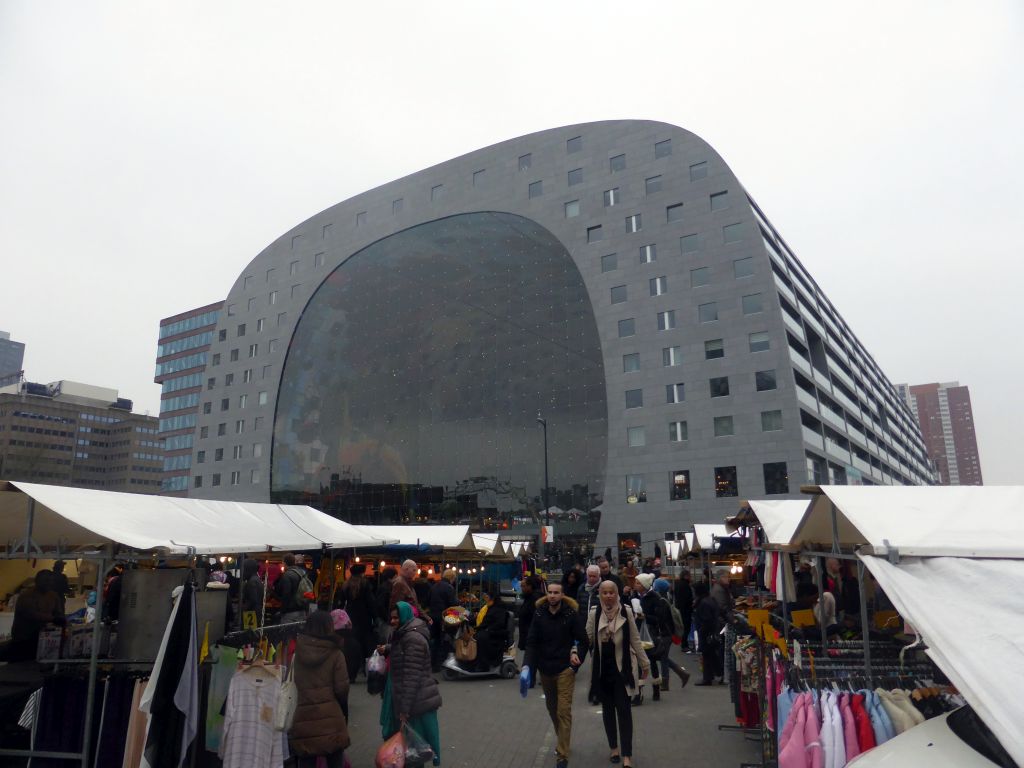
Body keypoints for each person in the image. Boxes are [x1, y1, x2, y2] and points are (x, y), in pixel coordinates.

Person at [523, 582, 588, 768]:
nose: (552, 596)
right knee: (552, 709)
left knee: (563, 711)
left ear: (562, 595)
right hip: (545, 669)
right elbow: (532, 642)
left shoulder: (570, 614)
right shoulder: (539, 613)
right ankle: (563, 740)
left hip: (565, 669)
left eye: (556, 593)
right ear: (546, 594)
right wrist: (527, 666)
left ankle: (562, 755)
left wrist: (576, 661)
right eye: (550, 592)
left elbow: (584, 641)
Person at [586, 580, 649, 768]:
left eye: (611, 592)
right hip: (602, 670)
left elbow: (636, 639)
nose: (608, 596)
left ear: (616, 594)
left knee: (624, 711)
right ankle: (614, 748)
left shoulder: (626, 612)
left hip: (623, 670)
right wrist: (573, 652)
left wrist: (645, 662)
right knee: (608, 711)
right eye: (604, 592)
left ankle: (627, 755)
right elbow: (586, 639)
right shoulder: (594, 614)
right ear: (600, 594)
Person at [378, 602, 442, 766]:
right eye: (391, 618)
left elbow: (411, 678)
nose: (392, 621)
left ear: (405, 617)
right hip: (414, 699)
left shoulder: (412, 638)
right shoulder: (406, 633)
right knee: (411, 748)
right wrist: (387, 648)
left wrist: (404, 710)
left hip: (416, 702)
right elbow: (402, 649)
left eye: (396, 618)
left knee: (413, 750)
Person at [289, 610, 349, 768]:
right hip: (331, 719)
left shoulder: (297, 653)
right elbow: (342, 689)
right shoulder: (336, 654)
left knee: (306, 761)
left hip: (303, 717)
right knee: (335, 760)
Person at [635, 575, 689, 699]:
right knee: (659, 657)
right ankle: (669, 681)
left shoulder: (657, 599)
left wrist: (644, 616)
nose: (635, 585)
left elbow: (659, 619)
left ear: (644, 585)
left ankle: (663, 684)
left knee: (659, 657)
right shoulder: (644, 597)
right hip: (653, 634)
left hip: (660, 634)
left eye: (638, 583)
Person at [10, 570, 65, 661]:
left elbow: (59, 613)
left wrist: (61, 620)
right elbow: (31, 614)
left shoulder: (53, 595)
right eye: (46, 580)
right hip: (24, 639)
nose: (49, 583)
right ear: (37, 581)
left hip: (44, 638)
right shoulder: (26, 595)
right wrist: (54, 619)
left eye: (51, 581)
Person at [335, 563, 375, 680]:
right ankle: (367, 671)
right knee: (366, 644)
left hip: (350, 617)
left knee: (352, 646)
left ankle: (351, 673)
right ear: (362, 572)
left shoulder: (346, 585)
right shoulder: (365, 584)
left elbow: (340, 603)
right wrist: (375, 616)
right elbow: (371, 602)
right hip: (365, 617)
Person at [694, 582, 723, 685]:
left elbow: (706, 619)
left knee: (707, 655)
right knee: (711, 655)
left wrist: (702, 631)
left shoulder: (703, 603)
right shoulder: (711, 600)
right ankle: (717, 674)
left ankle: (708, 678)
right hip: (712, 631)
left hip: (706, 633)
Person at [429, 568, 458, 671]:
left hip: (433, 617)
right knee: (445, 640)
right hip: (444, 618)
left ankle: (433, 664)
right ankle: (443, 662)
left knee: (435, 640)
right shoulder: (449, 588)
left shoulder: (434, 586)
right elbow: (453, 604)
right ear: (451, 578)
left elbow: (429, 601)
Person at [473, 591, 511, 670]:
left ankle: (484, 665)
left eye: (487, 598)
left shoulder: (498, 609)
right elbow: (485, 621)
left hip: (496, 634)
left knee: (480, 637)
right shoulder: (490, 608)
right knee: (476, 636)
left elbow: (499, 623)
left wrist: (487, 629)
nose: (485, 600)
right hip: (490, 631)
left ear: (492, 599)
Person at [275, 553, 310, 624]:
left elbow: (286, 594)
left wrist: (282, 611)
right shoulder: (302, 573)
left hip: (290, 612)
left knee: (287, 633)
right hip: (302, 610)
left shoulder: (287, 575)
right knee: (298, 633)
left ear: (284, 563)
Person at [517, 575, 542, 657]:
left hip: (531, 634)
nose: (522, 588)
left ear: (530, 586)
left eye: (523, 586)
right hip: (528, 633)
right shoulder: (529, 597)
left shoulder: (534, 598)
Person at [673, 571, 694, 652]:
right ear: (686, 576)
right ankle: (684, 645)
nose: (691, 578)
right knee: (686, 627)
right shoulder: (685, 585)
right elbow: (687, 598)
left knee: (684, 627)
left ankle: (684, 644)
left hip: (680, 608)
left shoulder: (678, 584)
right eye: (690, 576)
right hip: (685, 610)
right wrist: (691, 603)